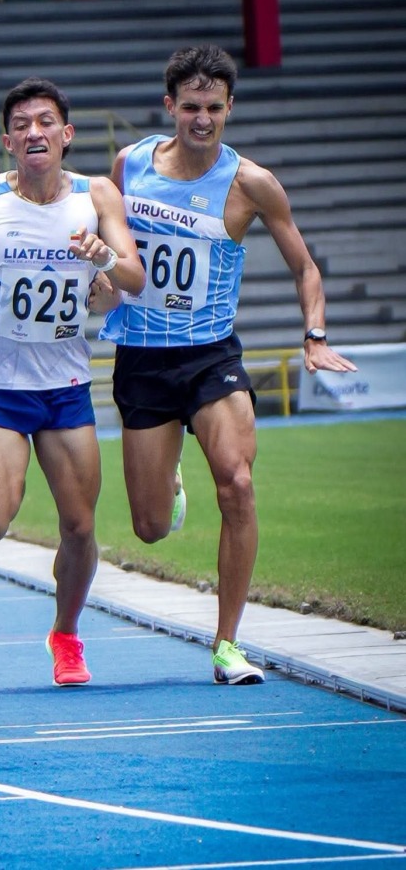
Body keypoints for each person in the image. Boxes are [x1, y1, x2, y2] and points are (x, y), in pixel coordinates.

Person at [99, 44, 358, 686]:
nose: (203, 119)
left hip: (211, 355)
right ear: (170, 107)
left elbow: (305, 266)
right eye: (191, 107)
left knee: (239, 485)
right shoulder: (130, 165)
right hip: (142, 357)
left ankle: (226, 644)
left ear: (230, 107)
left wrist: (314, 334)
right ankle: (171, 482)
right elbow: (108, 244)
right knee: (150, 526)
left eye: (214, 107)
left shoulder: (251, 184)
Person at [0, 77, 145, 686]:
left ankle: (66, 635)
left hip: (63, 387)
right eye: (22, 124)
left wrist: (101, 267)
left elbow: (129, 283)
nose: (35, 132)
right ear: (7, 141)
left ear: (67, 134)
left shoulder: (97, 196)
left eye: (45, 122)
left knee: (81, 527)